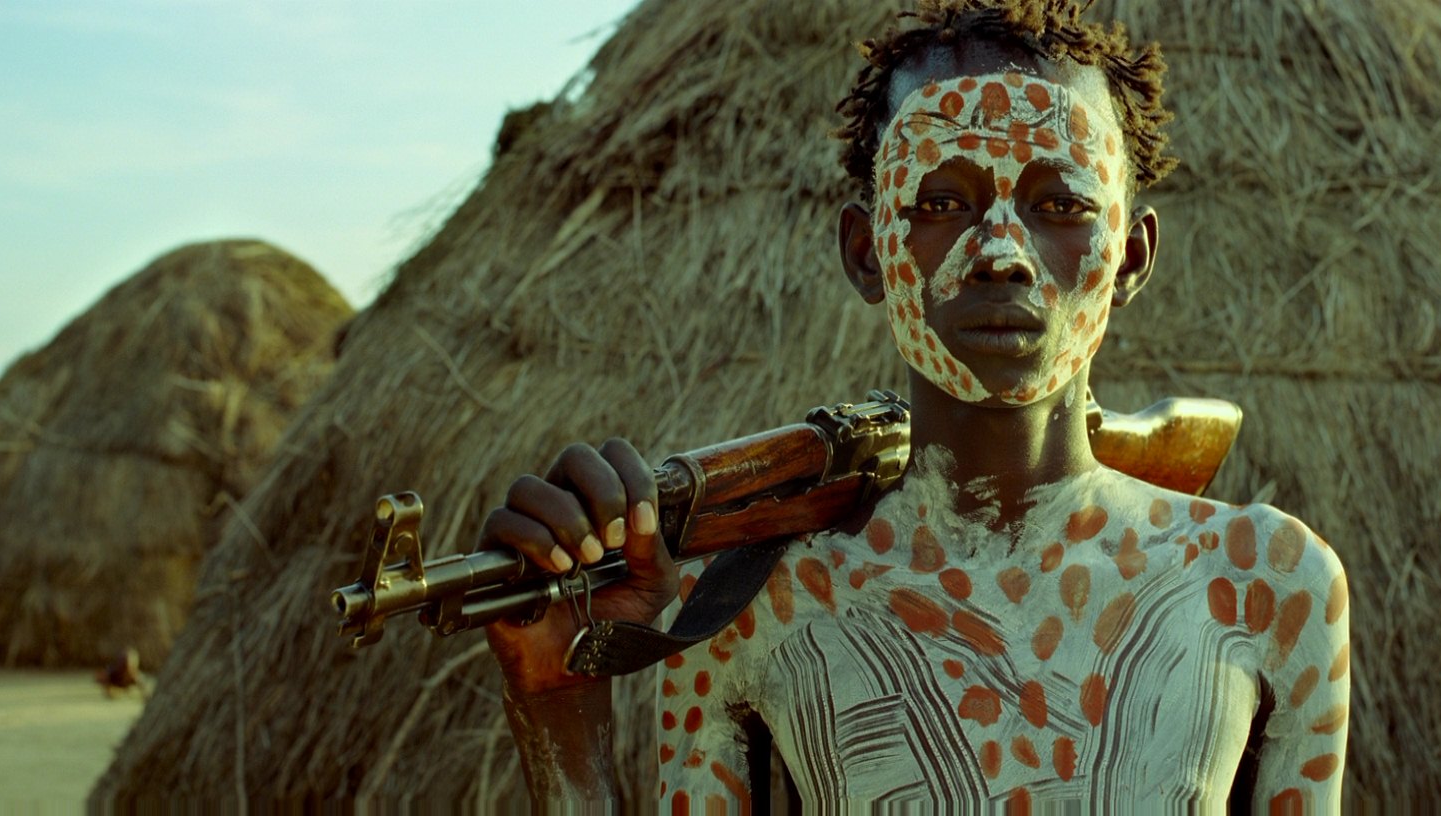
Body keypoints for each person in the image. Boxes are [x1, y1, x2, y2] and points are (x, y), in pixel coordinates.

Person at [481, 1, 1351, 810]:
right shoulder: (749, 609)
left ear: (1129, 256)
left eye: (1060, 204)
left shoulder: (1267, 585)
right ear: (868, 252)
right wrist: (559, 703)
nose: (1002, 252)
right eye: (941, 203)